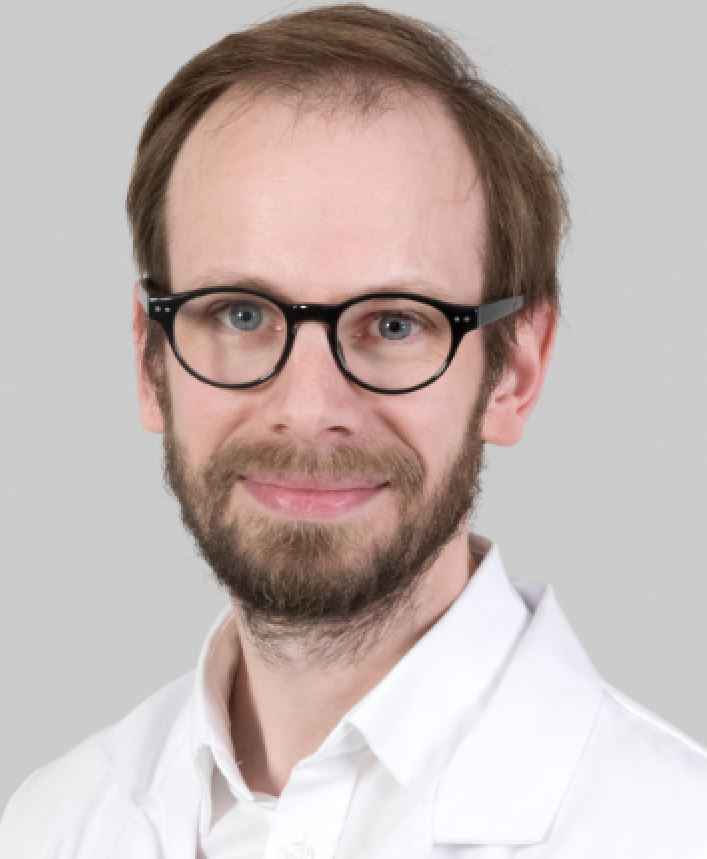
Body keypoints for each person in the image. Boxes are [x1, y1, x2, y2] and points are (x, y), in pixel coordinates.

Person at [1, 4, 705, 857]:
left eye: (396, 323)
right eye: (240, 313)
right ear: (151, 364)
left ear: (513, 375)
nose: (308, 407)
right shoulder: (46, 824)